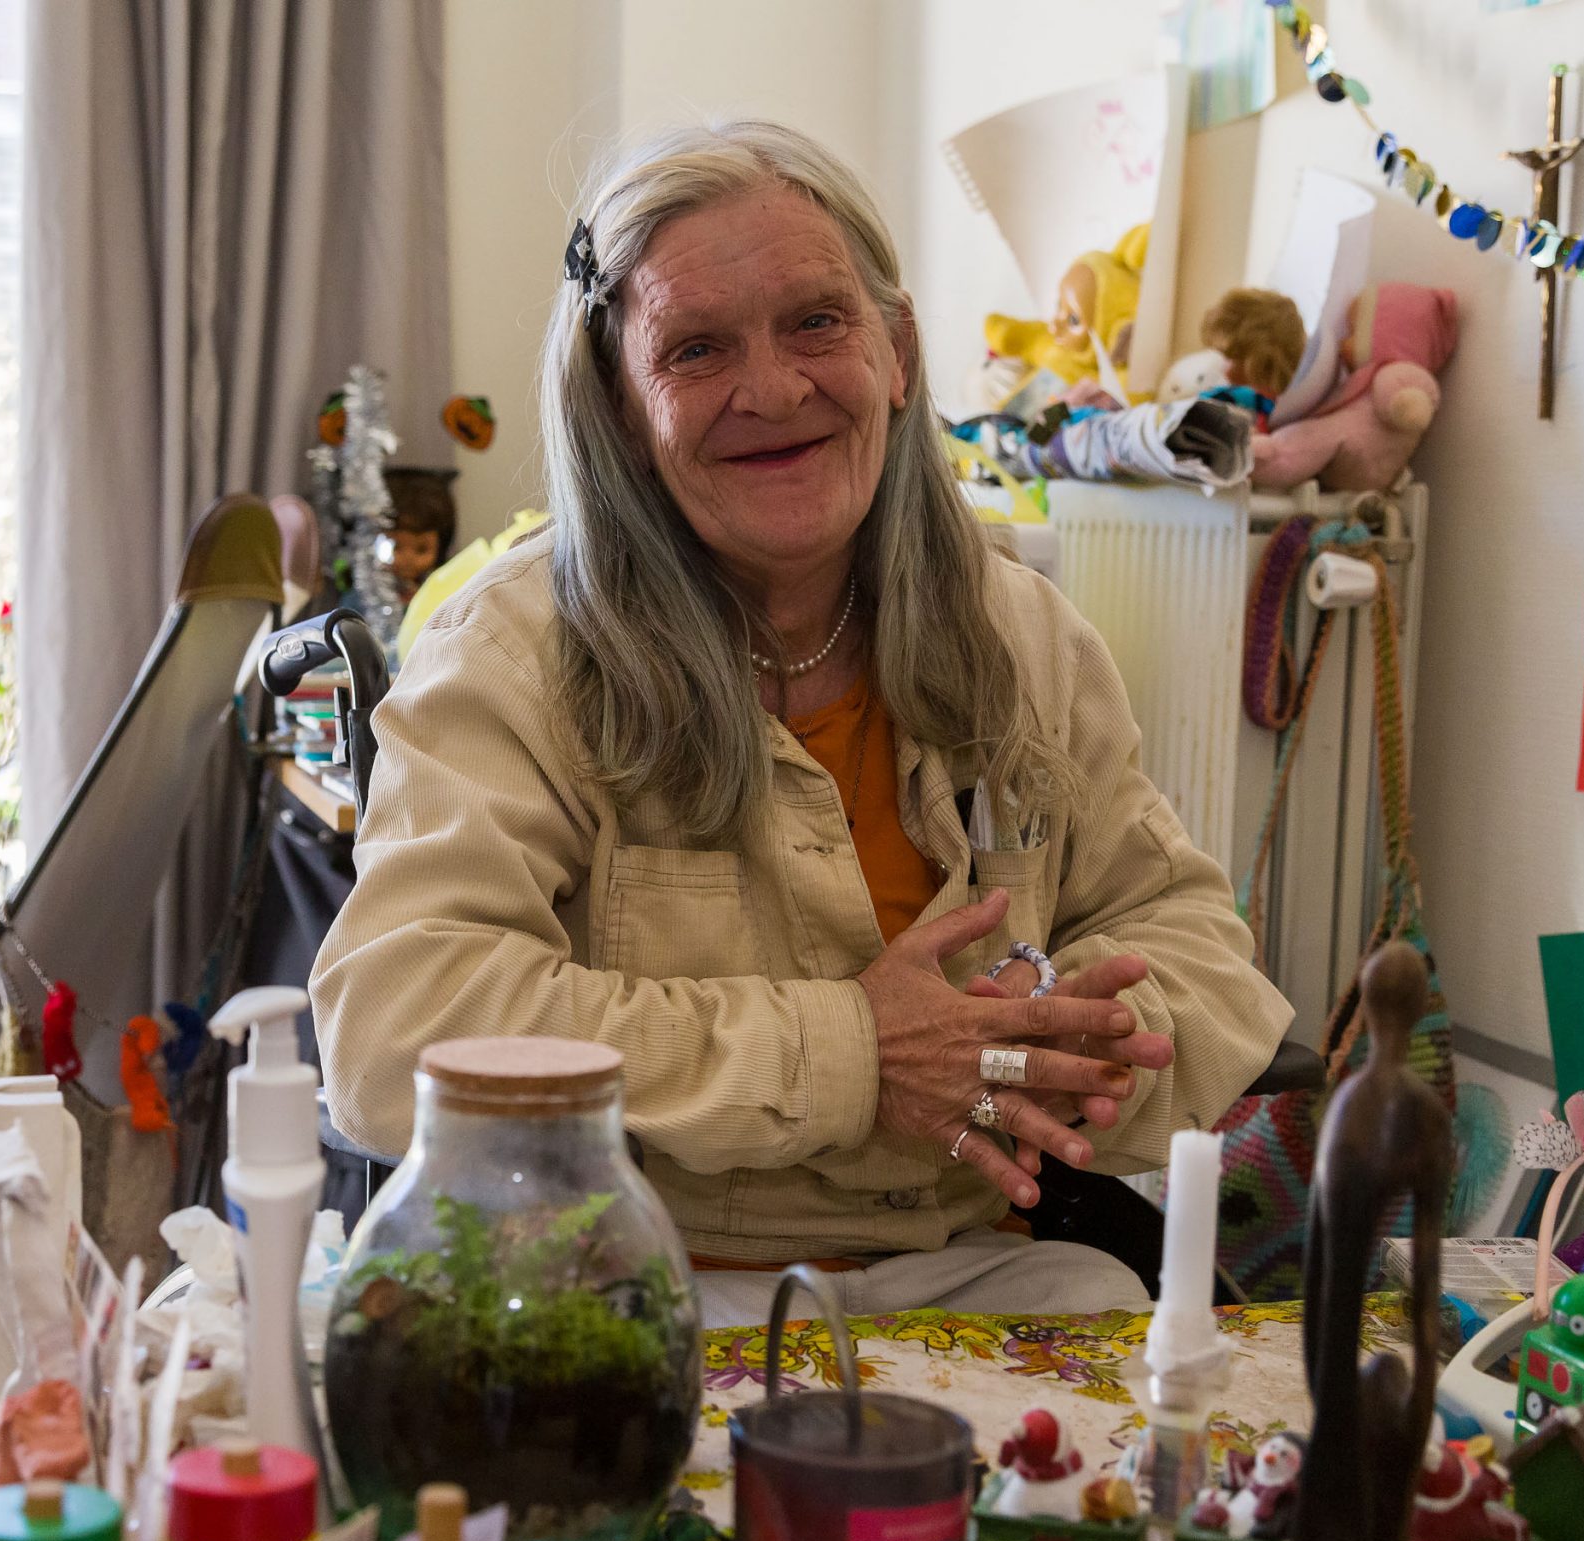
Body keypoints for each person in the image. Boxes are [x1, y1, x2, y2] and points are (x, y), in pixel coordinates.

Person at [312, 120, 1290, 1324]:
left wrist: (1044, 1052)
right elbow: (390, 1032)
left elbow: (1189, 934)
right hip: (620, 1288)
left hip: (969, 1269)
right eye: (695, 349)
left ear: (897, 352)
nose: (771, 391)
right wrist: (851, 1055)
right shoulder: (512, 662)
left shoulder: (1024, 636)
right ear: (621, 404)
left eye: (816, 321)